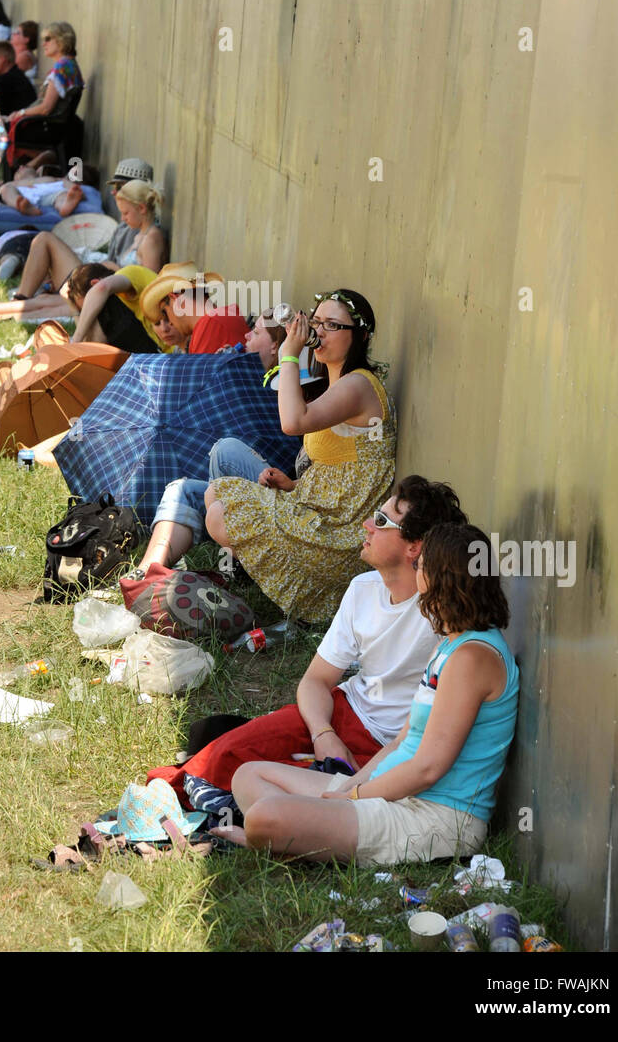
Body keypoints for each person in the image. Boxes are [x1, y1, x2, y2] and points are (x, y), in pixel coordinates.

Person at [147, 477, 467, 814]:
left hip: (385, 750)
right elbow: (316, 680)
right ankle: (183, 801)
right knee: (221, 755)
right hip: (339, 712)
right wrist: (323, 733)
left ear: (413, 547)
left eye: (383, 521)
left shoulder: (439, 613)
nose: (367, 525)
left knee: (286, 792)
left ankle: (227, 806)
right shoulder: (363, 588)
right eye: (375, 514)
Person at [217, 522, 519, 866]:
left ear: (437, 579)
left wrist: (353, 799)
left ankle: (275, 839)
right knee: (249, 775)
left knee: (262, 817)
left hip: (436, 817)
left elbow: (428, 770)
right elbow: (402, 743)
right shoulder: (451, 644)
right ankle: (293, 840)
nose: (415, 572)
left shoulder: (472, 657)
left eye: (420, 565)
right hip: (393, 794)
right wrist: (350, 788)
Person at [204, 289, 396, 623]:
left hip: (342, 536)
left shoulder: (359, 386)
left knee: (219, 513)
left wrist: (289, 355)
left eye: (332, 325)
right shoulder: (338, 384)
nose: (318, 332)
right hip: (320, 510)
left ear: (360, 336)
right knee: (214, 493)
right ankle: (276, 579)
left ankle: (290, 586)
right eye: (316, 322)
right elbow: (343, 470)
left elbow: (292, 423)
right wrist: (292, 484)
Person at [137, 310, 289, 573]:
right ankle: (147, 571)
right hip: (244, 492)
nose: (246, 335)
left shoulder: (283, 382)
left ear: (276, 345)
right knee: (180, 488)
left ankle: (233, 564)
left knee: (224, 451)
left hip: (275, 486)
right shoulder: (244, 372)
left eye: (257, 332)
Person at [68, 264, 175, 354]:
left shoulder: (129, 272)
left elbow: (101, 288)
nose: (91, 313)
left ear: (95, 283)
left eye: (88, 304)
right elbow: (96, 347)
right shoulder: (125, 301)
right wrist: (74, 309)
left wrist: (75, 342)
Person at [139, 267, 247, 355]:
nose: (170, 322)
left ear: (175, 297)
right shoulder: (223, 315)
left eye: (165, 312)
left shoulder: (209, 325)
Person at [9, 22, 82, 119]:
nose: (43, 44)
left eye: (48, 39)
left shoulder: (62, 67)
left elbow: (46, 108)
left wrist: (20, 113)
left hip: (44, 127)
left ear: (62, 39)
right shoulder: (69, 63)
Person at [97, 179, 166, 273]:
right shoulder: (141, 235)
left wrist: (115, 268)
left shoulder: (150, 240)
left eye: (125, 213)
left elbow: (150, 281)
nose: (122, 219)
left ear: (141, 208)